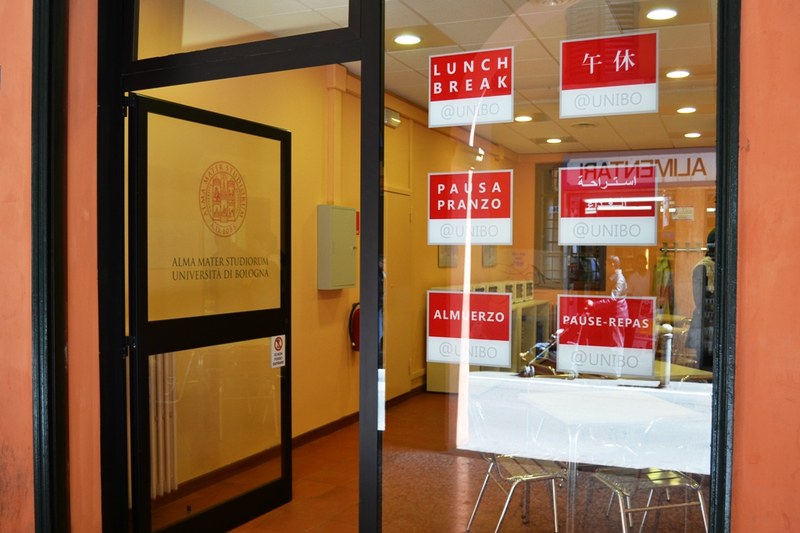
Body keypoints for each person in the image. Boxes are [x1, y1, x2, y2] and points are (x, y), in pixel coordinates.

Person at [687, 229, 716, 370]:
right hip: (706, 322)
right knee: (705, 367)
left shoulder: (722, 266)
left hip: (715, 323)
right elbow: (699, 299)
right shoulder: (702, 267)